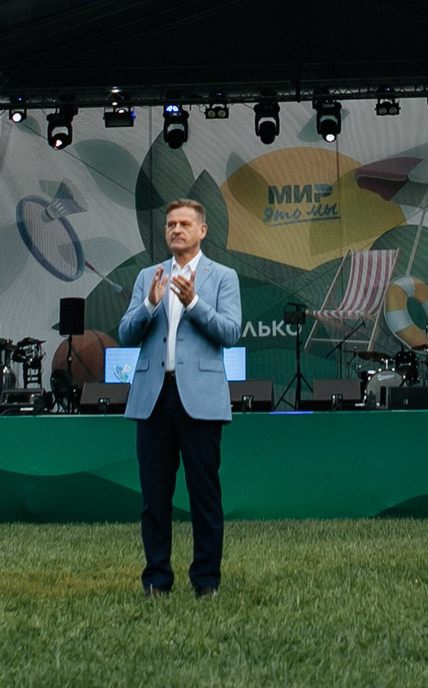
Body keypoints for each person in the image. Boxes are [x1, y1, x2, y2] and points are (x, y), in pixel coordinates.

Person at [117, 198, 240, 597]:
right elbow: (126, 334)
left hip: (200, 398)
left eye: (185, 223)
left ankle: (206, 581)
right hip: (154, 397)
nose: (176, 230)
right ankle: (156, 579)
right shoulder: (148, 277)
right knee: (154, 498)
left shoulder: (223, 277)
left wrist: (194, 303)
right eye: (171, 224)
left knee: (204, 495)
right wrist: (151, 303)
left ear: (202, 231)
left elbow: (230, 332)